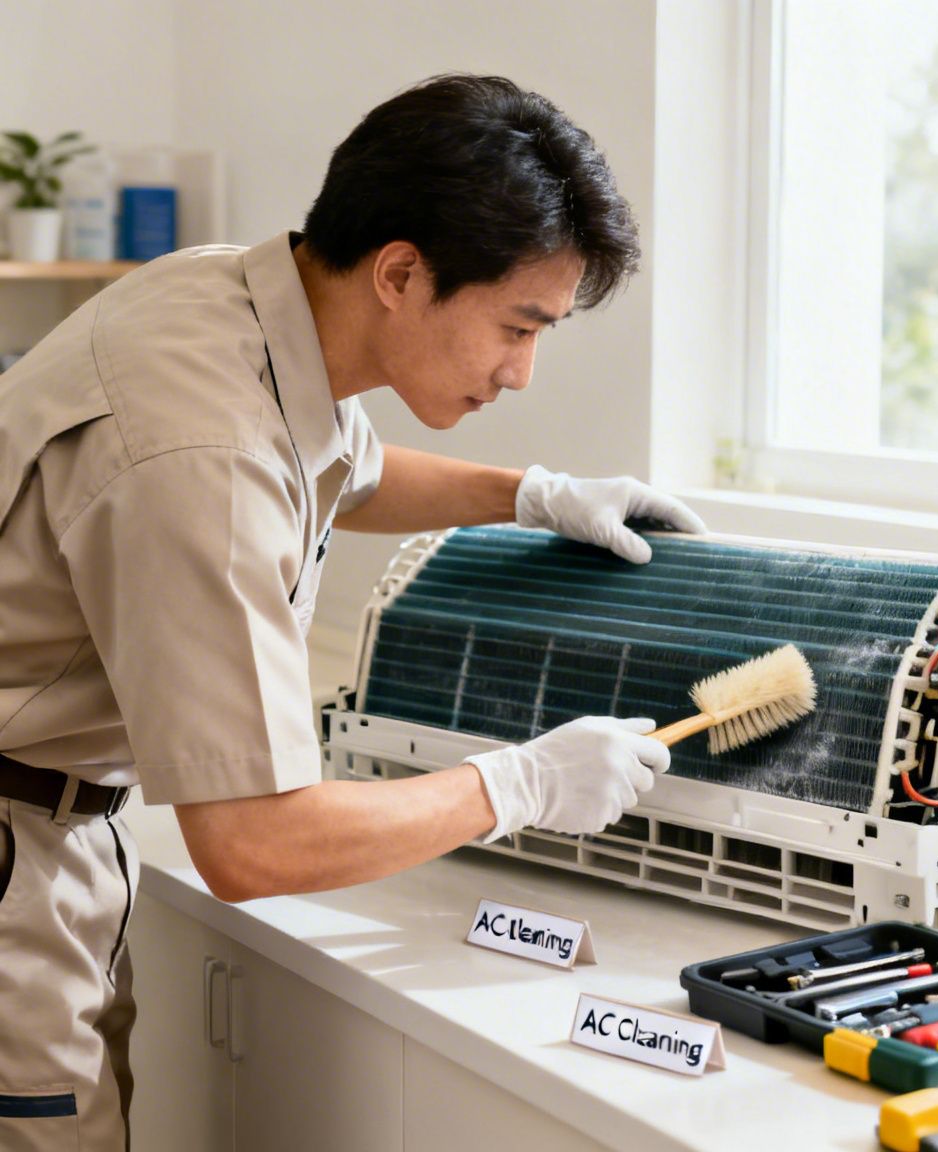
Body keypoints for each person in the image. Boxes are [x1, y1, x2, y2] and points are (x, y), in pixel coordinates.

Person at [0, 74, 703, 1148]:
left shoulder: (233, 297)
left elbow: (345, 472)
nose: (521, 372)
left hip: (60, 828)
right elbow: (252, 844)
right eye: (518, 326)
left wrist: (530, 495)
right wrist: (523, 781)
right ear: (402, 272)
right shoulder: (201, 446)